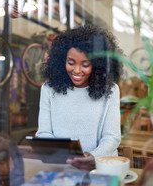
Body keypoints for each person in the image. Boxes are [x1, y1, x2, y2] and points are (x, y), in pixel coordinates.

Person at [36, 24, 123, 170]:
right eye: (71, 63)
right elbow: (44, 133)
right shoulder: (48, 90)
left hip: (100, 167)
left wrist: (93, 157)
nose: (77, 70)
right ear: (61, 60)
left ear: (97, 64)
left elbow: (111, 137)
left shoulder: (111, 90)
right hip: (61, 167)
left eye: (85, 64)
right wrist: (63, 156)